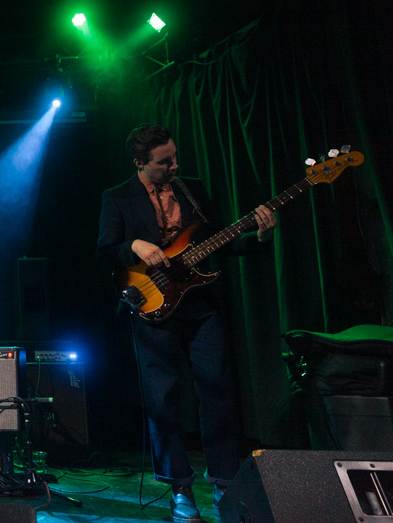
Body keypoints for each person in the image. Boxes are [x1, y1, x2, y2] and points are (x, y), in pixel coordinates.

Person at [95, 124, 276, 523]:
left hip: (200, 304)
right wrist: (135, 244)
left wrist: (261, 237)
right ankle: (179, 487)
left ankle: (225, 481)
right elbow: (105, 251)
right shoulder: (118, 197)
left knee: (217, 387)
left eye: (175, 157)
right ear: (140, 163)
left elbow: (223, 240)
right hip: (151, 303)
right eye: (165, 162)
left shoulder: (192, 189)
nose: (174, 166)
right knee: (162, 398)